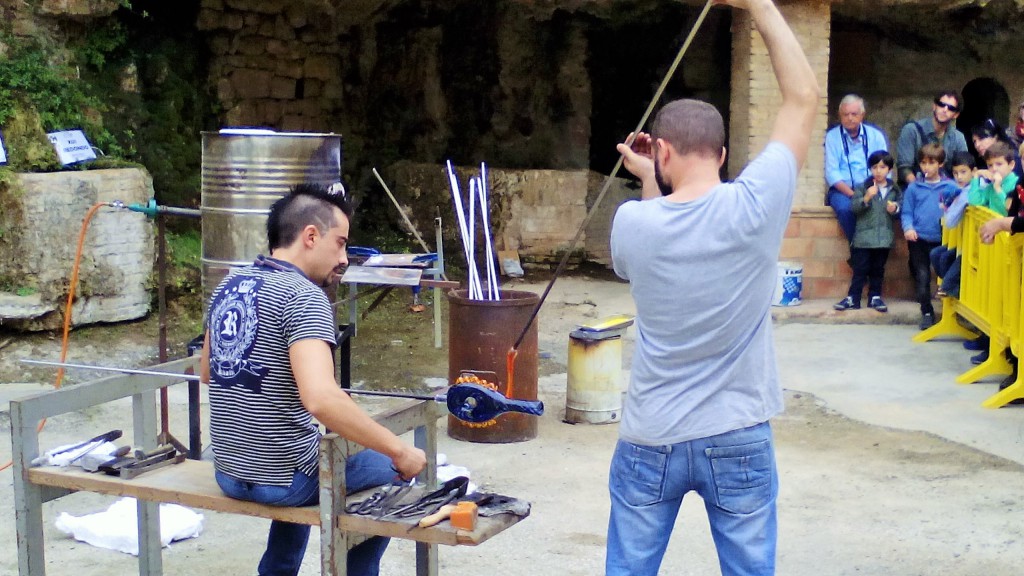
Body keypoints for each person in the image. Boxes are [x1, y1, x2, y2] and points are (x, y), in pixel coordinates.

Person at [607, 0, 819, 573]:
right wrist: (758, 6)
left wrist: (650, 178)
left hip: (651, 434)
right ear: (724, 155)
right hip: (738, 431)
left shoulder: (632, 223)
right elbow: (803, 98)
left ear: (664, 151)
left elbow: (653, 238)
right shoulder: (757, 204)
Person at [199, 183, 427, 576]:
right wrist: (401, 452)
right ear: (310, 236)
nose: (343, 258)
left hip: (229, 471)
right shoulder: (304, 296)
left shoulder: (230, 283)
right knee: (395, 473)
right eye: (340, 244)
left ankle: (277, 571)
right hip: (284, 481)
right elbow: (321, 399)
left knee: (306, 449)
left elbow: (207, 372)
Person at [833, 151, 902, 312]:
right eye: (875, 167)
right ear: (870, 169)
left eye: (883, 167)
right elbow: (854, 208)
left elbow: (901, 207)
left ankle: (875, 297)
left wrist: (895, 208)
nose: (879, 171)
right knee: (860, 269)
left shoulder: (894, 189)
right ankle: (853, 298)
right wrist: (866, 198)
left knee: (878, 269)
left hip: (883, 238)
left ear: (889, 169)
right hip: (863, 238)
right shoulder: (862, 187)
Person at [901, 143, 959, 330]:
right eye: (923, 163)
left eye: (931, 163)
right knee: (922, 276)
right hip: (918, 239)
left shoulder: (950, 186)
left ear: (941, 164)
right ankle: (926, 312)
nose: (927, 167)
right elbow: (907, 212)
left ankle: (951, 312)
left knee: (945, 276)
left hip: (943, 239)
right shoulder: (914, 188)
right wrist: (908, 228)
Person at [824, 94, 889, 244]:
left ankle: (876, 251)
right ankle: (859, 247)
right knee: (846, 210)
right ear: (840, 115)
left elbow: (886, 166)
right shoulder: (832, 137)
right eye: (845, 114)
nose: (850, 118)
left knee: (886, 209)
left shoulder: (875, 136)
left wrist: (876, 191)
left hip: (872, 187)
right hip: (843, 190)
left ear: (862, 115)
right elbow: (832, 173)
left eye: (854, 114)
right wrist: (855, 195)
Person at [896, 90, 969, 187]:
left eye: (951, 108)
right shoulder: (911, 130)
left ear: (956, 114)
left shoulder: (958, 137)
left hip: (946, 193)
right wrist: (919, 189)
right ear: (934, 106)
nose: (945, 109)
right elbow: (904, 168)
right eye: (941, 104)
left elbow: (964, 168)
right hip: (916, 192)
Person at [929, 151, 975, 300]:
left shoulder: (968, 192)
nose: (959, 177)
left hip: (975, 243)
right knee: (937, 254)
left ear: (973, 172)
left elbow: (950, 221)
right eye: (955, 173)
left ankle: (950, 288)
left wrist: (953, 204)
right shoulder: (959, 190)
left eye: (963, 172)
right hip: (963, 239)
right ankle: (953, 289)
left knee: (956, 258)